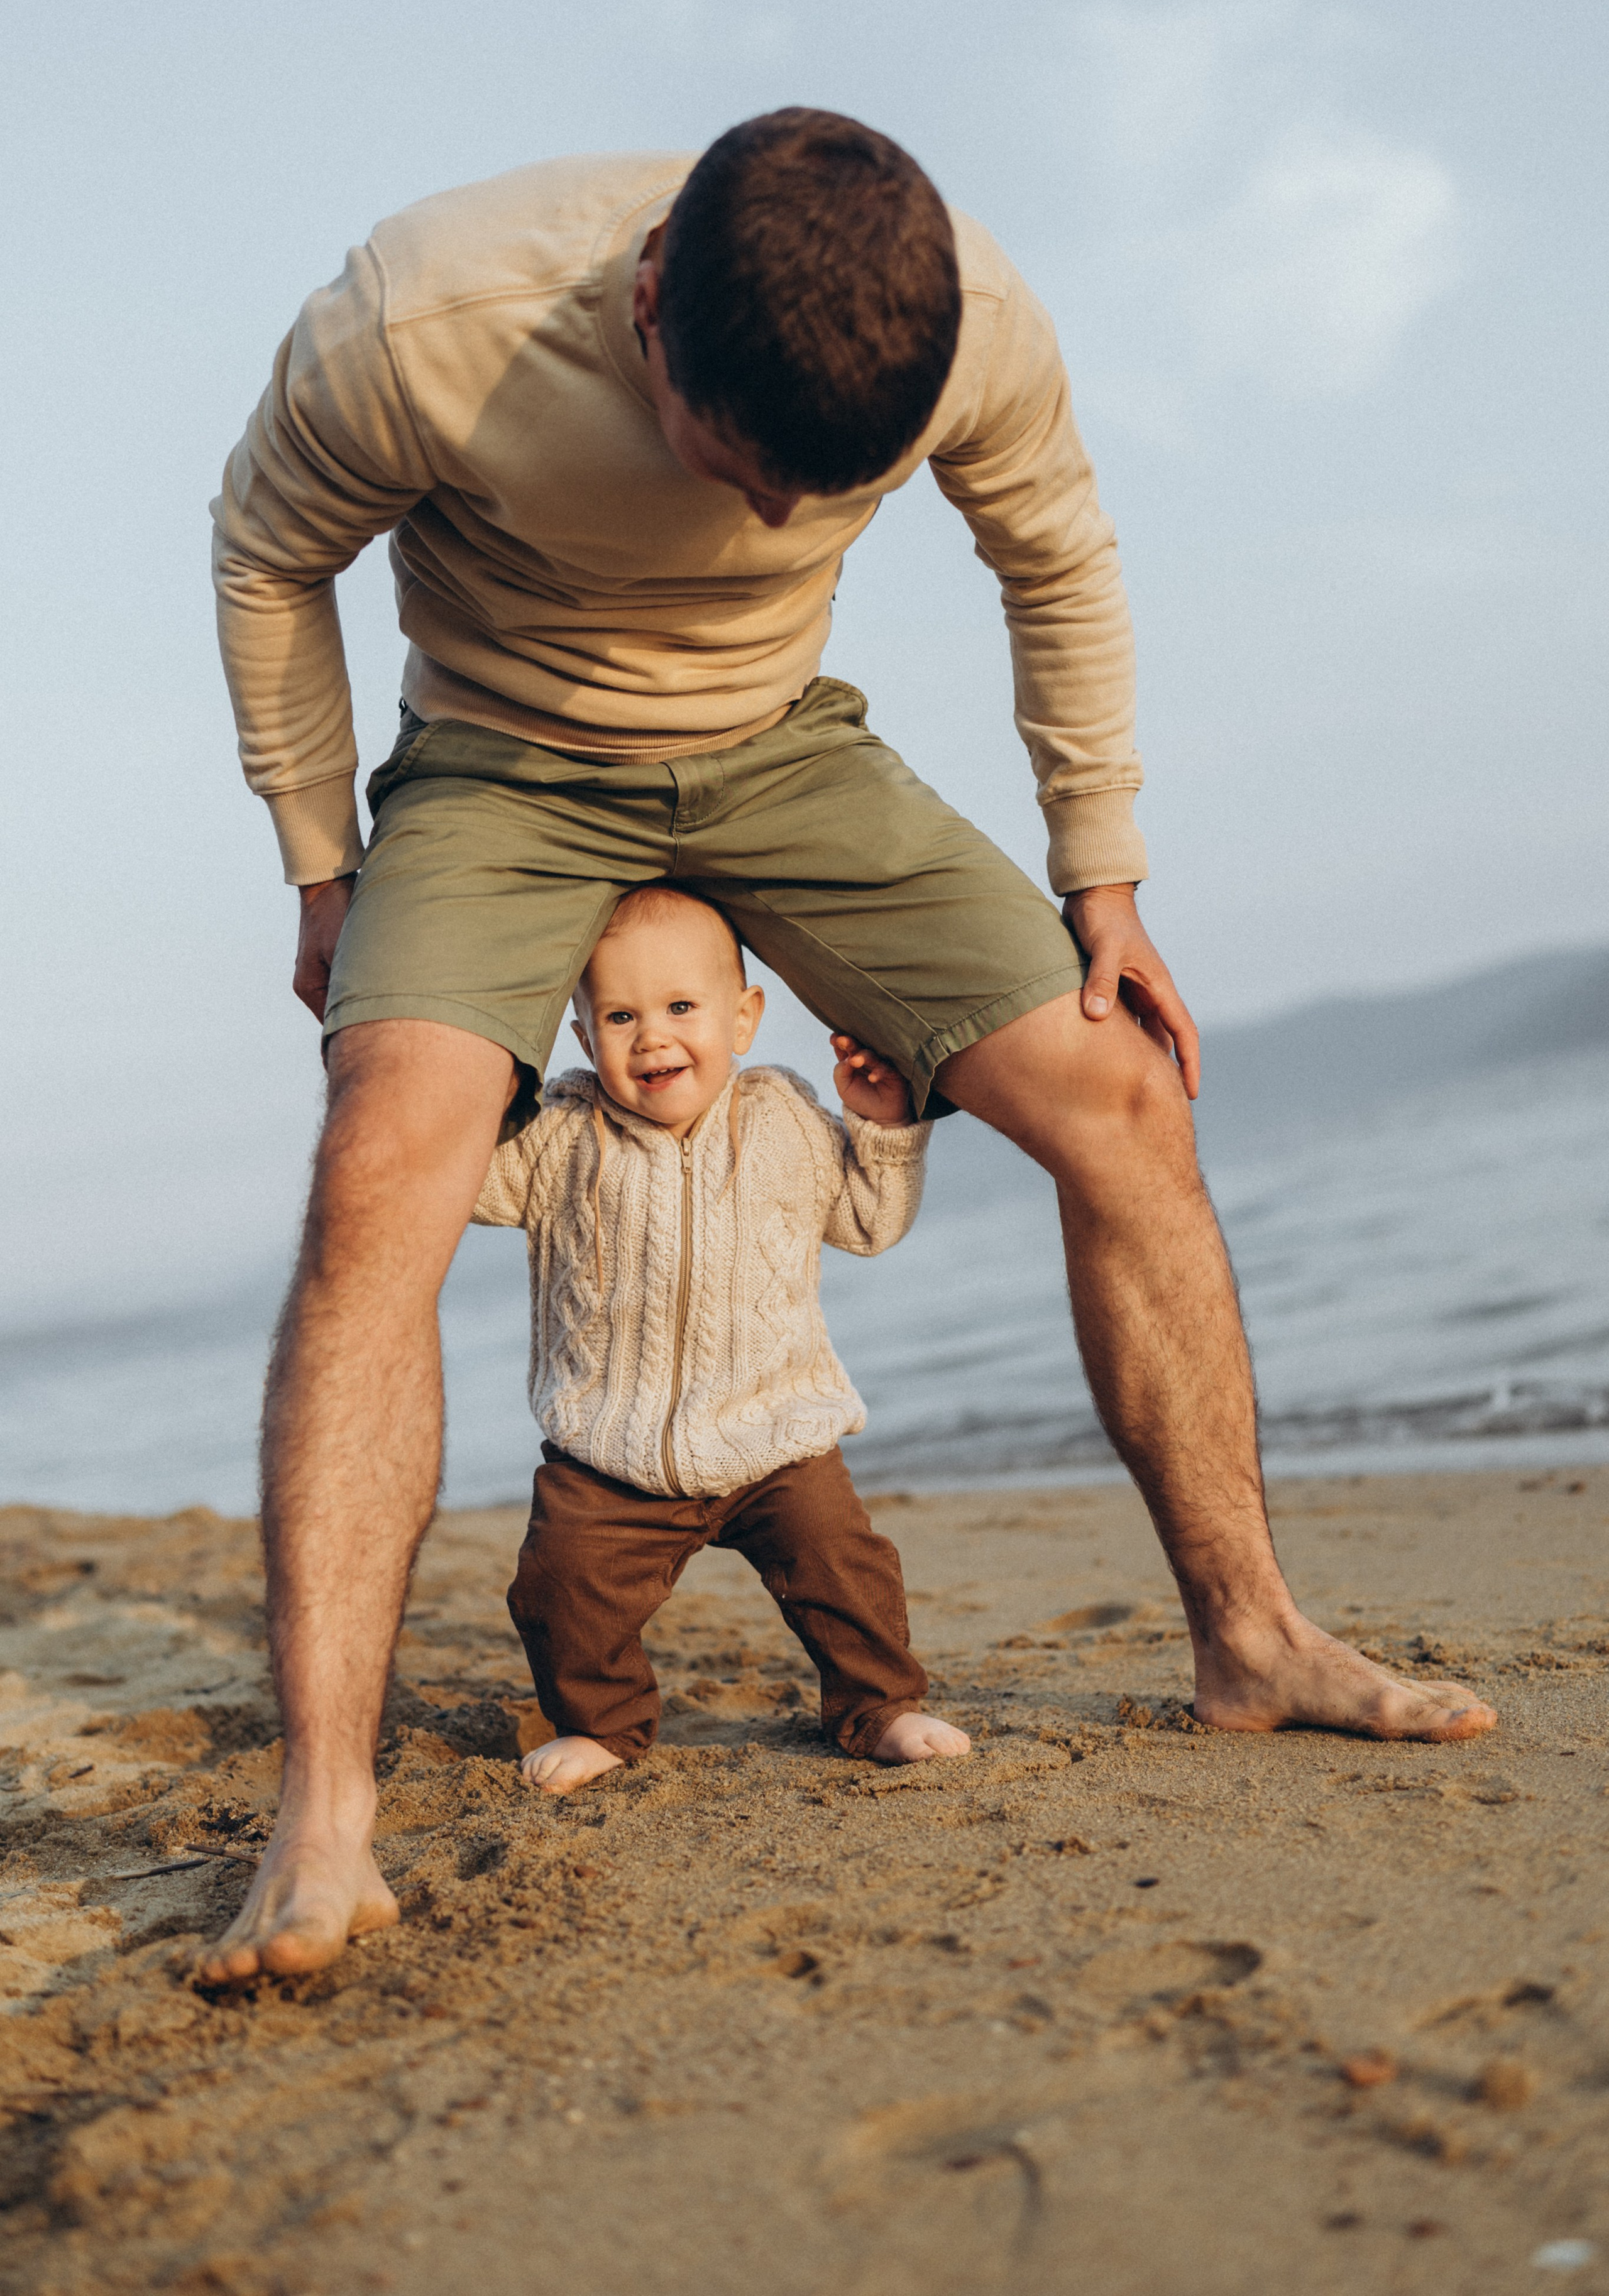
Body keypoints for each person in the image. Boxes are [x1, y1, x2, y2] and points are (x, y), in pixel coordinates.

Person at [199, 107, 1496, 1987]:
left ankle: (1256, 1636)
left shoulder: (971, 320)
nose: (786, 528)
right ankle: (322, 1821)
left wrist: (1103, 873)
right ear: (653, 313)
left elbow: (1053, 557)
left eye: (834, 497)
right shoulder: (424, 324)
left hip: (784, 749)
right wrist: (323, 861)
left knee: (1126, 1091)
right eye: (748, 478)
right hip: (500, 765)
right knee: (379, 1169)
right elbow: (265, 555)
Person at [475, 882, 969, 1793]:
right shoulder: (562, 1135)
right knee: (559, 1586)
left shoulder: (782, 1116)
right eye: (619, 1015)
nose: (652, 1037)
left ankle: (881, 1705)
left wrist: (885, 1126)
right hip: (608, 1451)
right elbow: (469, 1180)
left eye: (680, 1008)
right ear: (582, 1036)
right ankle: (603, 1723)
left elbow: (867, 1220)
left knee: (845, 1569)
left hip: (777, 1436)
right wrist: (473, 1090)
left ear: (742, 1018)